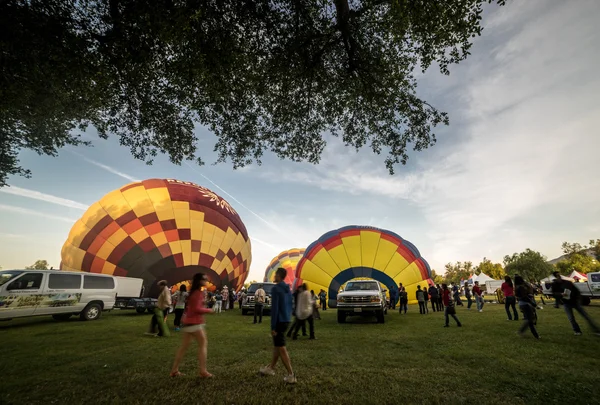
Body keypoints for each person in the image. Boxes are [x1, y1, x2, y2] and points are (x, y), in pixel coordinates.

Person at [170, 273, 214, 378]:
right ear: (199, 281)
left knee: (183, 347)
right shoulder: (198, 293)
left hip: (187, 323)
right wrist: (209, 310)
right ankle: (203, 371)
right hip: (195, 323)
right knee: (203, 344)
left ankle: (174, 370)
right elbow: (196, 309)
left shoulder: (193, 292)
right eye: (204, 279)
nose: (206, 281)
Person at [259, 267, 296, 384]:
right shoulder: (288, 289)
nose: (274, 276)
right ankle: (270, 368)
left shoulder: (275, 289)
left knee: (281, 347)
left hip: (279, 321)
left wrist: (273, 327)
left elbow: (274, 309)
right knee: (277, 346)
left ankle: (291, 375)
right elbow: (291, 305)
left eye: (275, 275)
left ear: (279, 276)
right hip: (287, 320)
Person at [552, 271, 600, 336]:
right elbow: (554, 294)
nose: (559, 277)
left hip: (574, 301)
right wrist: (560, 294)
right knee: (571, 318)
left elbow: (576, 291)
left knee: (585, 316)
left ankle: (596, 330)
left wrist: (578, 299)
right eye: (557, 276)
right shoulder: (554, 285)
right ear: (555, 277)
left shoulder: (567, 282)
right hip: (566, 303)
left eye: (559, 275)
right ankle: (577, 331)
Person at [515, 275, 540, 339]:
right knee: (530, 320)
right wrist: (532, 303)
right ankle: (535, 335)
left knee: (530, 319)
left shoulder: (517, 287)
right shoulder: (521, 287)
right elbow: (524, 297)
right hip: (526, 304)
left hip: (522, 304)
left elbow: (519, 296)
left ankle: (524, 331)